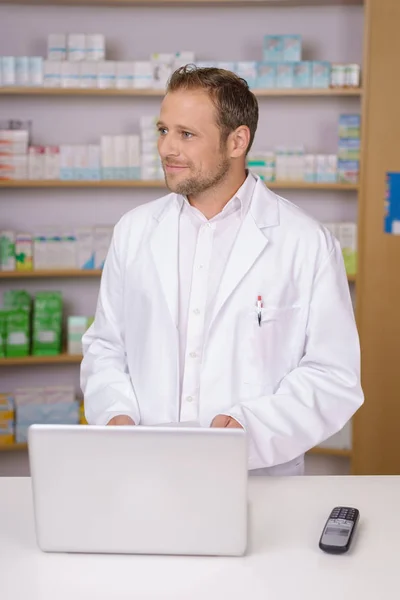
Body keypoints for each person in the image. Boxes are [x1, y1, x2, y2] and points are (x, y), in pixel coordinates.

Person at [81, 66, 363, 476]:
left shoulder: (306, 243)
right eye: (163, 131)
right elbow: (106, 347)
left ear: (237, 141)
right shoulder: (134, 231)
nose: (166, 148)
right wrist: (115, 415)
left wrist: (252, 428)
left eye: (186, 134)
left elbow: (333, 376)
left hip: (256, 478)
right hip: (144, 470)